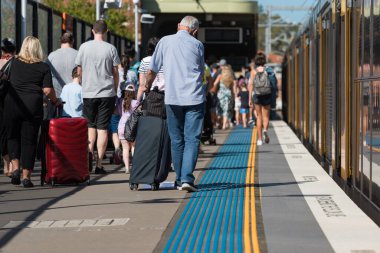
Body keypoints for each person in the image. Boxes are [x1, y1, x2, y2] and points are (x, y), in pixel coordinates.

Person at [145, 16, 205, 192]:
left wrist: (147, 87)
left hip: (172, 98)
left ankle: (179, 180)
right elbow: (201, 72)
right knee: (192, 139)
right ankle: (186, 179)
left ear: (179, 26)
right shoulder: (198, 45)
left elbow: (151, 70)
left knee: (176, 139)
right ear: (194, 31)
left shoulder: (164, 41)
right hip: (194, 97)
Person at [4, 36, 60, 187]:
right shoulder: (43, 67)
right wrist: (56, 101)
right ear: (38, 49)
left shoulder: (13, 62)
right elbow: (48, 91)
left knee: (12, 136)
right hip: (32, 107)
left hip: (12, 104)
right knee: (29, 141)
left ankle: (15, 169)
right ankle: (26, 177)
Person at [75, 20, 120, 174]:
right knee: (102, 129)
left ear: (92, 31)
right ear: (106, 31)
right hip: (107, 94)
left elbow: (79, 71)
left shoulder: (83, 47)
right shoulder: (111, 49)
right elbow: (115, 73)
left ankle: (88, 157)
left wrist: (82, 83)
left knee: (90, 126)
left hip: (88, 93)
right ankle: (99, 164)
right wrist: (115, 88)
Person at [249, 52, 276, 146]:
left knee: (259, 117)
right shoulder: (268, 70)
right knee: (266, 116)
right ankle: (265, 130)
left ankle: (260, 139)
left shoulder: (253, 71)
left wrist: (250, 99)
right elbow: (273, 85)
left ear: (256, 61)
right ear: (264, 61)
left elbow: (251, 85)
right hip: (267, 94)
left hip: (257, 95)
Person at [0, 38, 16, 177]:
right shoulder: (17, 64)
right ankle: (12, 165)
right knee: (13, 134)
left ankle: (6, 165)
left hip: (1, 103)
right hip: (14, 103)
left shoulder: (0, 63)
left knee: (3, 135)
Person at [117, 84, 139, 173]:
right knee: (134, 147)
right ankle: (135, 167)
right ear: (134, 93)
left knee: (125, 148)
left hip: (121, 127)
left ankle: (127, 168)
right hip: (132, 127)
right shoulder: (136, 103)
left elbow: (119, 112)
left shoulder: (122, 102)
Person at [136, 37, 165, 101]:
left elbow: (141, 86)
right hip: (164, 96)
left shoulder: (145, 61)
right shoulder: (165, 60)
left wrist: (137, 102)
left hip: (149, 97)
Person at [215, 65, 234, 130]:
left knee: (219, 110)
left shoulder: (220, 76)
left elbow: (215, 84)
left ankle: (219, 123)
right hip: (228, 96)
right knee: (226, 111)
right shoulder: (230, 78)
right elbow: (232, 89)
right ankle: (224, 125)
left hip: (220, 95)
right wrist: (233, 97)